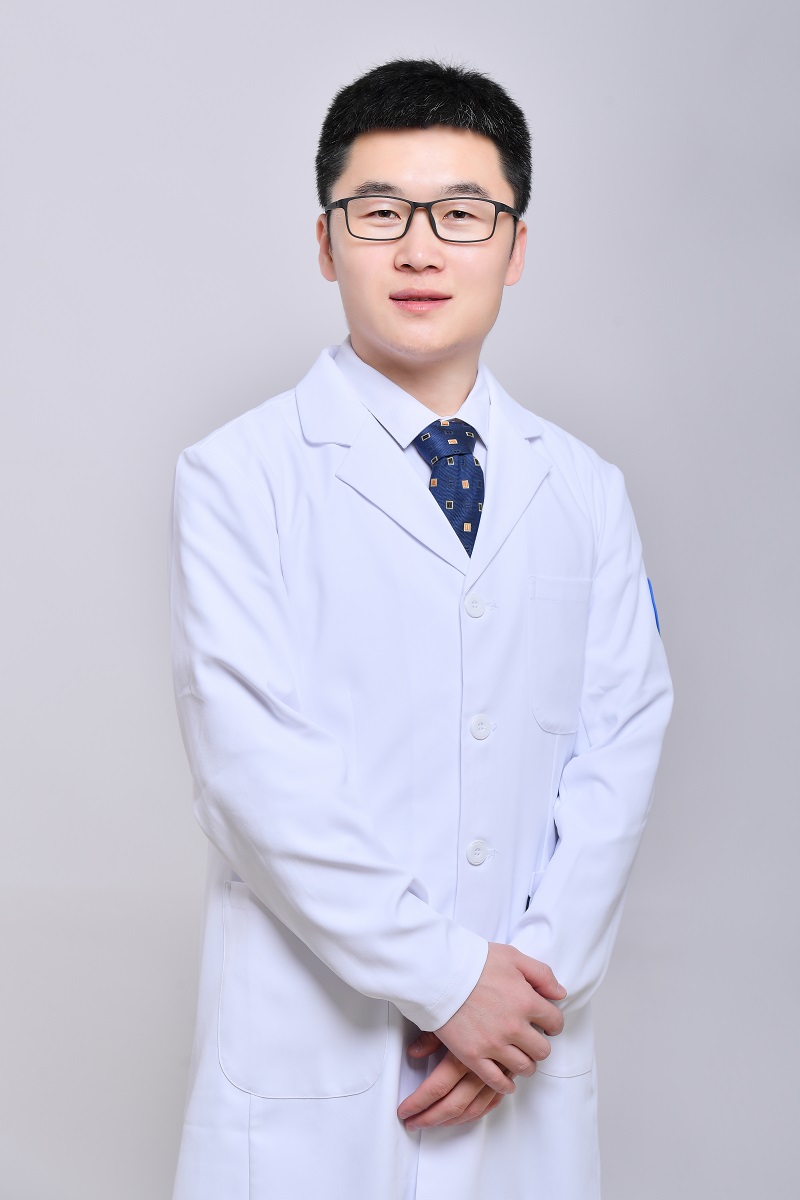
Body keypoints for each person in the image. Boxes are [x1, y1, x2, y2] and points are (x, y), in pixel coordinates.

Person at [168, 59, 673, 1200]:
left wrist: (523, 995)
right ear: (325, 240)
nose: (419, 250)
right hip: (313, 1065)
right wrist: (448, 982)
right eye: (380, 212)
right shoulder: (237, 476)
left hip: (520, 1057)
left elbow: (620, 751)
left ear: (515, 245)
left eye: (461, 214)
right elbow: (252, 771)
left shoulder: (585, 489)